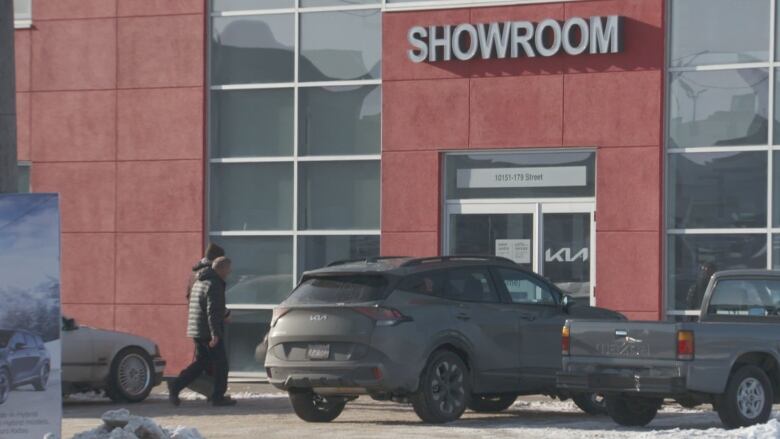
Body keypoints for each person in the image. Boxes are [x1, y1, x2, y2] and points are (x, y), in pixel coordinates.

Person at [169, 256, 236, 407]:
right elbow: (212, 310)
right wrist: (215, 334)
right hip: (207, 331)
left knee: (202, 363)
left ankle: (176, 386)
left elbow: (206, 306)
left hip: (197, 329)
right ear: (221, 268)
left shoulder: (200, 280)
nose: (230, 272)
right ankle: (218, 397)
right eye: (228, 268)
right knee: (221, 364)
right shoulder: (214, 283)